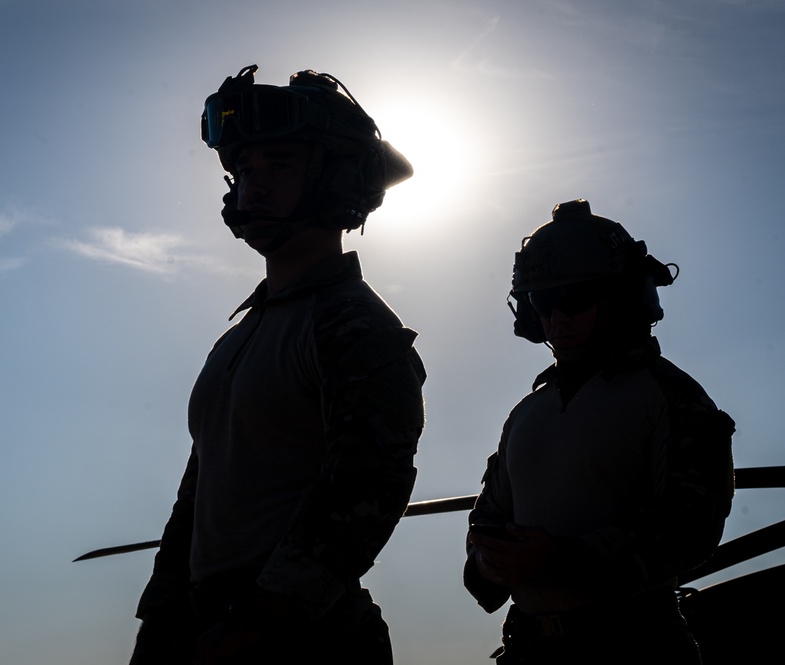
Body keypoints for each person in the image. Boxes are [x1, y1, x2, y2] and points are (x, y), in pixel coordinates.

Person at [128, 65, 425, 665]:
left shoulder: (355, 327)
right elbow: (199, 491)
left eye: (279, 167)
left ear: (336, 181)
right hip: (208, 626)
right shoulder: (239, 339)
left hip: (301, 637)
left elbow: (367, 488)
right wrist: (161, 622)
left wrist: (264, 620)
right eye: (244, 172)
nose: (252, 187)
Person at [465, 199, 735, 663]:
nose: (557, 318)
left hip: (633, 647)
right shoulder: (527, 413)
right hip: (529, 648)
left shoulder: (671, 397)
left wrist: (561, 558)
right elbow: (487, 519)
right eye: (543, 302)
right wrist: (488, 563)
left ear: (619, 298)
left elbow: (691, 528)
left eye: (574, 300)